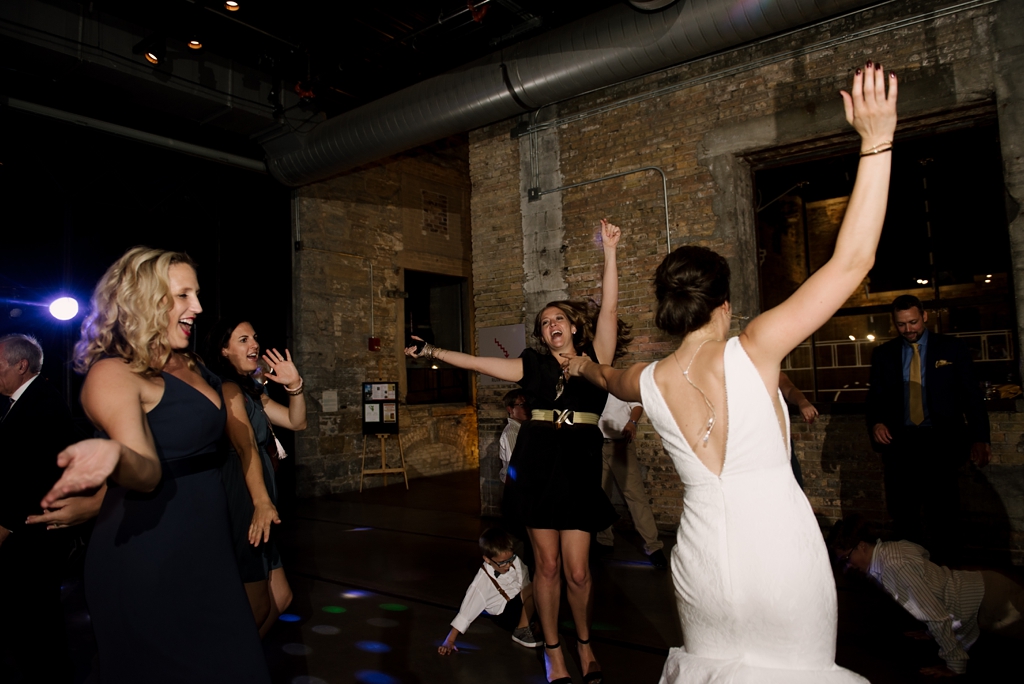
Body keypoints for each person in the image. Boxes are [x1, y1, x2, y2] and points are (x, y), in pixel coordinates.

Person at [562, 64, 897, 682]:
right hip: (778, 555)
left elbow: (604, 377)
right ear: (722, 304)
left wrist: (580, 361)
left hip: (702, 566)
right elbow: (852, 263)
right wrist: (877, 140)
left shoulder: (648, 380)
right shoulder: (756, 346)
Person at [407, 218, 627, 684]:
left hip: (580, 466)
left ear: (573, 326)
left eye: (558, 319)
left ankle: (584, 644)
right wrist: (434, 351)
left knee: (579, 572)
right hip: (539, 463)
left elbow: (608, 310)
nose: (551, 326)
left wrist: (609, 251)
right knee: (545, 566)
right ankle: (554, 651)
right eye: (544, 323)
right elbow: (477, 362)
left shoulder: (595, 361)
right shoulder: (532, 366)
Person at [41, 247, 270, 683]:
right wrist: (116, 456)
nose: (198, 307)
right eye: (183, 295)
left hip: (208, 545)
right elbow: (146, 472)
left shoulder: (193, 364)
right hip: (150, 552)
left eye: (197, 294)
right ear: (145, 299)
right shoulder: (114, 373)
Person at [866, 294, 991, 563]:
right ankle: (911, 578)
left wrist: (980, 438)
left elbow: (971, 396)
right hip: (901, 446)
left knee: (944, 516)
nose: (908, 329)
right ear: (894, 323)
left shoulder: (952, 349)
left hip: (941, 445)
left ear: (924, 316)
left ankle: (948, 577)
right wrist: (876, 422)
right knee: (904, 515)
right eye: (901, 325)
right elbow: (875, 398)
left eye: (912, 322)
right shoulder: (884, 354)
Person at [828, 514, 1024, 677]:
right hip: (988, 586)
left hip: (993, 602)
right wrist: (930, 631)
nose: (848, 565)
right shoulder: (890, 550)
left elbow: (937, 616)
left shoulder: (893, 568)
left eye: (846, 557)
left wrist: (954, 666)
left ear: (861, 545)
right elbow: (924, 556)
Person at [209, 318, 304, 637]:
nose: (254, 345)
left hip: (263, 496)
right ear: (223, 350)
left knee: (282, 597)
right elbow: (245, 444)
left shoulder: (252, 392)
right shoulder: (228, 388)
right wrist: (260, 502)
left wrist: (295, 386)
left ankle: (241, 665)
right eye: (242, 339)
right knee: (259, 605)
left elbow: (296, 422)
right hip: (246, 497)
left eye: (255, 338)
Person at [0, 334, 80, 683]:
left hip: (32, 535)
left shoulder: (42, 404)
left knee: (35, 626)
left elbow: (33, 477)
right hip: (29, 532)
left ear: (21, 365)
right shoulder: (28, 401)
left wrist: (6, 525)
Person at [438, 527, 541, 655]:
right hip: (506, 615)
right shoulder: (482, 581)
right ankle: (521, 629)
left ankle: (530, 623)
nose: (508, 565)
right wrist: (449, 640)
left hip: (519, 606)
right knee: (539, 584)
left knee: (538, 586)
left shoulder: (514, 561)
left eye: (510, 559)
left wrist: (534, 616)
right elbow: (467, 611)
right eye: (502, 563)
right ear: (487, 559)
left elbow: (525, 587)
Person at [595, 396, 668, 568]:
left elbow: (637, 405)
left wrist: (632, 422)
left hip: (620, 444)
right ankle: (604, 539)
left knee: (635, 495)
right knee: (601, 494)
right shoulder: (591, 382)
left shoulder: (619, 380)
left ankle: (653, 546)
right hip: (596, 444)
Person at [779, 371, 817, 489]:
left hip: (777, 440)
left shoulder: (770, 371)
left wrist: (802, 402)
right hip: (745, 441)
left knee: (791, 484)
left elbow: (790, 389)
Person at [498, 389, 528, 483]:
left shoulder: (523, 428)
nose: (527, 408)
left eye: (528, 404)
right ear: (510, 409)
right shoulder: (511, 432)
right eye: (522, 405)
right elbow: (514, 464)